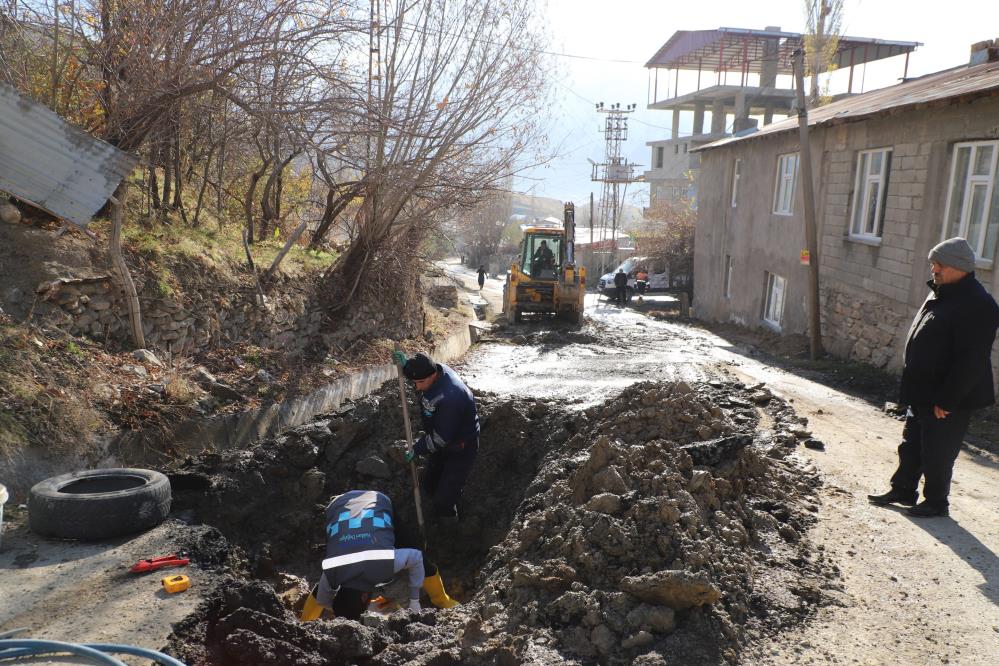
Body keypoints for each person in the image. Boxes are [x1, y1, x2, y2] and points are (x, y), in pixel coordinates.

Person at [868, 237, 999, 517]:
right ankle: (904, 489)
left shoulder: (979, 304)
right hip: (924, 390)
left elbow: (972, 360)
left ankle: (936, 501)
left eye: (939, 264)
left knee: (938, 451)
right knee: (912, 442)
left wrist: (948, 399)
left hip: (948, 397)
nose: (934, 269)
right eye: (933, 264)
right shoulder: (941, 292)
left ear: (959, 267)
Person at [300, 489, 458, 621]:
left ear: (364, 598)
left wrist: (414, 602)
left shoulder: (385, 562)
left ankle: (442, 600)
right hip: (338, 506)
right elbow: (321, 597)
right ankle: (304, 624)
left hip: (376, 502)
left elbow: (417, 557)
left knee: (415, 550)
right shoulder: (332, 571)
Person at [392, 351, 480, 521]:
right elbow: (421, 372)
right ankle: (439, 508)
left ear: (433, 375)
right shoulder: (434, 371)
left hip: (460, 447)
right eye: (414, 382)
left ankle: (449, 523)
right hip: (440, 440)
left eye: (420, 382)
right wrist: (407, 367)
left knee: (445, 498)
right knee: (430, 484)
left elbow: (441, 438)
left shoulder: (451, 397)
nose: (417, 387)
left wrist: (416, 448)